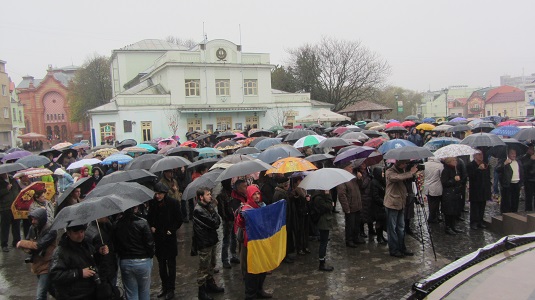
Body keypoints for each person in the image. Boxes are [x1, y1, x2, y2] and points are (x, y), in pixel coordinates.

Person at [49, 224, 109, 300]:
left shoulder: (86, 244)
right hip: (73, 295)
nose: (80, 235)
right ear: (68, 233)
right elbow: (55, 275)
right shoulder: (60, 251)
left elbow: (92, 262)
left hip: (90, 291)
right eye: (76, 233)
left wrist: (99, 254)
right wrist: (79, 273)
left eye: (82, 232)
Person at [235, 185, 273, 299]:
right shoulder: (245, 209)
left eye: (258, 194)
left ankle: (259, 289)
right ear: (249, 195)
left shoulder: (261, 206)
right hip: (250, 243)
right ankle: (250, 294)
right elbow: (240, 224)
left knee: (261, 267)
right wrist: (241, 217)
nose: (257, 196)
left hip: (260, 242)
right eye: (254, 194)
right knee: (251, 270)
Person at [147, 183, 183, 300]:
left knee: (171, 265)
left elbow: (179, 219)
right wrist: (151, 226)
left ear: (164, 193)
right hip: (158, 238)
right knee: (161, 265)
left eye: (160, 194)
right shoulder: (152, 203)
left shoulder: (173, 203)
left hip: (169, 238)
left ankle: (171, 288)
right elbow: (150, 218)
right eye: (156, 194)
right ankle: (164, 286)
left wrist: (171, 230)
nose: (157, 196)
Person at [114, 206, 154, 300]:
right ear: (134, 209)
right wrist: (150, 255)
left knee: (131, 293)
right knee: (144, 291)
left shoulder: (117, 224)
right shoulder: (142, 222)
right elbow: (149, 243)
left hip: (125, 261)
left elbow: (115, 245)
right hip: (143, 261)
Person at [16, 208, 57, 300]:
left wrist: (22, 243)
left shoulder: (51, 230)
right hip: (37, 263)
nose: (33, 221)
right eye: (32, 219)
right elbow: (30, 243)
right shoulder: (32, 228)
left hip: (47, 264)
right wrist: (28, 247)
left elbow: (39, 245)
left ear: (41, 219)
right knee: (51, 289)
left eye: (35, 219)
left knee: (40, 294)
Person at [193, 187, 224, 300]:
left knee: (212, 264)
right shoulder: (198, 210)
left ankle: (210, 284)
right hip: (204, 243)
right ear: (201, 197)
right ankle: (202, 291)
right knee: (204, 267)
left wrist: (213, 211)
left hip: (211, 240)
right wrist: (214, 213)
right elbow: (214, 223)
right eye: (207, 195)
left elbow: (217, 220)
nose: (210, 196)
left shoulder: (208, 207)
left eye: (210, 194)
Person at [384, 160, 418, 257]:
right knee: (392, 229)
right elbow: (395, 178)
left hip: (401, 203)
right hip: (392, 203)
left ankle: (402, 247)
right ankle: (394, 249)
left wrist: (411, 175)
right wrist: (410, 173)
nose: (405, 165)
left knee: (401, 228)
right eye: (404, 163)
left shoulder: (403, 171)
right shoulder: (390, 171)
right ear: (399, 163)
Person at [337, 162, 365, 248]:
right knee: (350, 225)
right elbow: (342, 195)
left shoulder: (352, 177)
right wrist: (346, 208)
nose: (351, 168)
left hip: (357, 205)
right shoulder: (341, 179)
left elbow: (360, 187)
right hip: (350, 206)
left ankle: (356, 238)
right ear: (344, 168)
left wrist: (360, 179)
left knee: (356, 224)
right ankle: (349, 240)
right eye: (349, 167)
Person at [217, 179, 240, 270]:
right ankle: (225, 259)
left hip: (234, 218)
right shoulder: (221, 195)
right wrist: (227, 217)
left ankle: (233, 255)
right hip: (227, 221)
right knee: (226, 239)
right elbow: (221, 210)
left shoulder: (232, 192)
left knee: (234, 237)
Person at [311, 189, 335, 271]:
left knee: (324, 242)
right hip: (323, 222)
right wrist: (328, 196)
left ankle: (323, 261)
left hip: (324, 221)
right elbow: (328, 206)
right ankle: (321, 263)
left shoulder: (320, 196)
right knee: (323, 242)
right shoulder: (318, 198)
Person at [272, 177, 295, 263]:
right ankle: (284, 256)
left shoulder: (281, 193)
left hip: (284, 219)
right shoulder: (280, 195)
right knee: (284, 239)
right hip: (283, 220)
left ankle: (286, 254)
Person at [467, 151, 491, 230]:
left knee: (482, 206)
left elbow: (487, 177)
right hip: (475, 189)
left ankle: (480, 220)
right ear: (475, 156)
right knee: (475, 207)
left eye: (482, 154)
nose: (481, 156)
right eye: (479, 154)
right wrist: (478, 169)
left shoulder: (485, 164)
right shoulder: (471, 165)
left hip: (484, 189)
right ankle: (474, 222)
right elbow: (471, 176)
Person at [441, 157, 464, 235]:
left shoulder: (456, 169)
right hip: (449, 194)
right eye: (453, 160)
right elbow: (444, 183)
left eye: (455, 160)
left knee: (454, 210)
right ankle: (448, 227)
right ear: (449, 162)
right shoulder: (446, 170)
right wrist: (454, 180)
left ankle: (453, 226)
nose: (455, 162)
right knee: (449, 211)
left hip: (455, 193)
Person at [496, 149, 524, 213]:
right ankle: (505, 214)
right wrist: (504, 164)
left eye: (515, 153)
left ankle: (514, 213)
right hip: (507, 184)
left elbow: (521, 171)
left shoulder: (518, 161)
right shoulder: (503, 161)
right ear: (508, 154)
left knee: (515, 201)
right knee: (506, 202)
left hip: (516, 184)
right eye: (512, 153)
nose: (514, 155)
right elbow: (497, 169)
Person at [0, 172, 21, 252]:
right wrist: (6, 189)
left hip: (15, 206)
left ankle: (16, 241)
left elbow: (18, 190)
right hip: (5, 207)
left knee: (16, 224)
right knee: (5, 227)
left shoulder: (13, 179)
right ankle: (4, 244)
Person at [356, 162, 375, 240]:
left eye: (365, 164)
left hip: (370, 195)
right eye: (362, 164)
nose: (364, 165)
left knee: (370, 214)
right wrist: (368, 178)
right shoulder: (357, 173)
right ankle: (361, 231)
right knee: (362, 215)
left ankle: (371, 229)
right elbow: (362, 185)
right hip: (362, 196)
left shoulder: (369, 171)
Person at [423, 157, 444, 224]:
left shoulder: (425, 164)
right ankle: (433, 217)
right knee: (435, 203)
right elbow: (442, 176)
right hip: (436, 186)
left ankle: (433, 216)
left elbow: (423, 174)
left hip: (427, 186)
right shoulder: (440, 165)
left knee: (430, 202)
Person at [370, 166, 387, 244]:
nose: (383, 174)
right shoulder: (374, 182)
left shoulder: (380, 181)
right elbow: (375, 196)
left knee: (382, 222)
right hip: (377, 207)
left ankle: (381, 236)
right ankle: (379, 238)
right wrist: (383, 202)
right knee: (379, 223)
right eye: (382, 172)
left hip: (381, 206)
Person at [521, 143, 535, 211]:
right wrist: (531, 160)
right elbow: (524, 167)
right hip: (529, 180)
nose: (532, 150)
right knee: (528, 198)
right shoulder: (524, 157)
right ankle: (528, 211)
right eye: (531, 149)